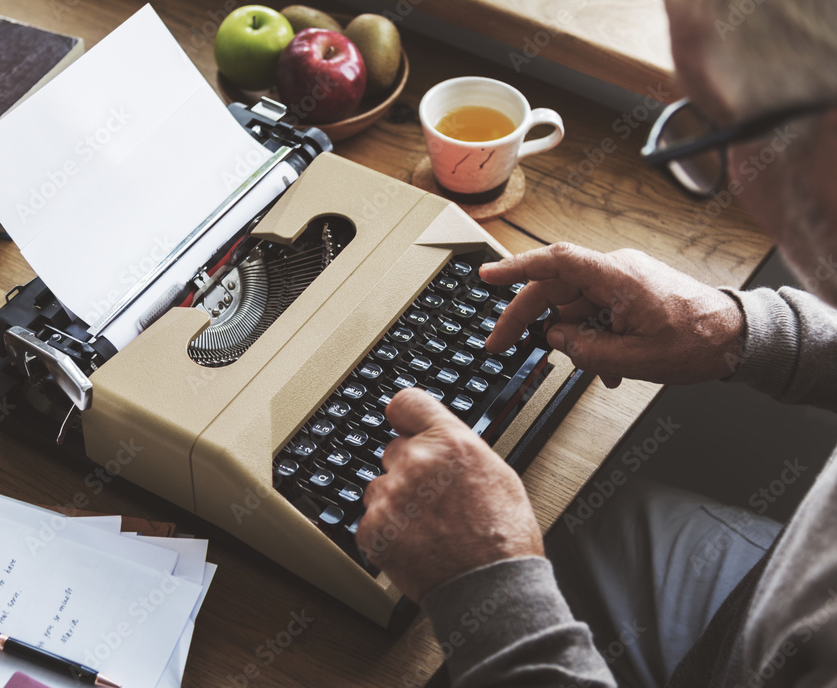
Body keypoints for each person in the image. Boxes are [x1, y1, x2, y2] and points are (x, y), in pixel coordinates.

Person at [355, 0, 837, 686]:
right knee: (607, 519)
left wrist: (491, 590)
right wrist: (742, 329)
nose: (739, 182)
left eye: (726, 126)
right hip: (774, 588)